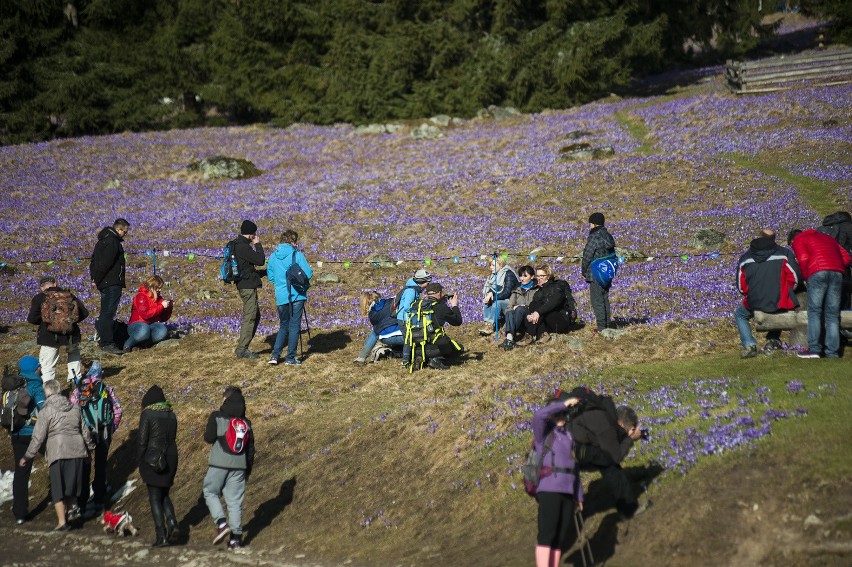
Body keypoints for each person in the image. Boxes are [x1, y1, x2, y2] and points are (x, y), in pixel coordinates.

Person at [20, 379, 95, 531]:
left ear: (46, 393)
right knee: (71, 485)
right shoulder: (74, 408)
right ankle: (72, 509)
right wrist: (90, 449)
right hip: (77, 449)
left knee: (58, 489)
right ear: (59, 390)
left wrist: (28, 456)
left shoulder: (46, 411)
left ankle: (62, 522)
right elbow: (85, 431)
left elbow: (38, 437)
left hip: (58, 451)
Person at [568, 395, 646, 520]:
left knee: (607, 463)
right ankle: (629, 510)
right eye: (629, 429)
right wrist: (629, 439)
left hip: (572, 446)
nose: (628, 432)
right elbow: (615, 457)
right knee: (610, 466)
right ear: (621, 423)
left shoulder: (605, 415)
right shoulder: (607, 427)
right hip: (572, 450)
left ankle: (627, 509)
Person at [531, 390, 583, 567]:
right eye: (558, 413)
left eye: (564, 413)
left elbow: (573, 466)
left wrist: (579, 494)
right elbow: (539, 415)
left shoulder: (568, 436)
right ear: (551, 414)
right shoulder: (543, 434)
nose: (563, 416)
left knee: (559, 536)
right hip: (549, 489)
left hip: (568, 491)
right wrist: (562, 404)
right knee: (548, 534)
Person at [734, 233, 802, 357]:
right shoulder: (784, 254)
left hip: (755, 301)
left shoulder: (745, 258)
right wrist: (787, 291)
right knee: (778, 306)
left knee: (740, 314)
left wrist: (753, 294)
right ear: (773, 240)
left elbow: (741, 286)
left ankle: (749, 345)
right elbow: (795, 278)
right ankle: (772, 339)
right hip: (780, 300)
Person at [203, 386, 254, 550]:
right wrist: (247, 470)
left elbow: (208, 438)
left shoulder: (217, 417)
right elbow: (250, 449)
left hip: (219, 462)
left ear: (226, 399)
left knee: (210, 491)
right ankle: (235, 540)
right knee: (235, 502)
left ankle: (221, 523)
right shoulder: (247, 423)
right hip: (240, 466)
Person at [70, 361, 123, 518]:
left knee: (85, 466)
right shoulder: (107, 389)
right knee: (100, 465)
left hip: (84, 433)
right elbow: (118, 410)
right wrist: (113, 426)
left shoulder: (79, 390)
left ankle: (82, 503)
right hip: (104, 432)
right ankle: (99, 500)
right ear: (100, 374)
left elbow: (72, 410)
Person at [788, 228, 851, 358]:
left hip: (817, 271)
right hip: (836, 272)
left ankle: (814, 349)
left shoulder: (799, 240)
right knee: (832, 314)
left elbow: (803, 259)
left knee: (814, 311)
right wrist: (834, 264)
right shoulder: (828, 238)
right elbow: (846, 257)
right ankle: (832, 352)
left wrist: (806, 278)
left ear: (792, 240)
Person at [137, 385, 179, 547]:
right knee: (164, 493)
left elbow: (142, 440)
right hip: (171, 458)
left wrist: (140, 460)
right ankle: (172, 522)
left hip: (153, 458)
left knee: (155, 496)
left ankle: (161, 535)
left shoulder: (147, 414)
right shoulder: (172, 415)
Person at [27, 276, 89, 383]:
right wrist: (69, 322)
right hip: (70, 334)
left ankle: (49, 389)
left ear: (41, 288)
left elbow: (32, 318)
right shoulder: (69, 295)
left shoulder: (39, 298)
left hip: (48, 335)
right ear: (55, 283)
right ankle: (75, 381)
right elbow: (84, 313)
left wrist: (46, 322)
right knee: (73, 356)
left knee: (48, 366)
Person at [7, 356, 46, 525]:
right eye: (39, 366)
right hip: (34, 433)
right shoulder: (35, 384)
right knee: (56, 461)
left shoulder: (12, 384)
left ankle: (20, 512)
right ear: (35, 368)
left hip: (16, 433)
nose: (41, 369)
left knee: (21, 471)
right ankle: (65, 501)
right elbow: (43, 408)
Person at [266, 229, 313, 366]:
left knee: (283, 326)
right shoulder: (296, 255)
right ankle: (290, 358)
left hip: (281, 297)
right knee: (294, 326)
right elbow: (308, 274)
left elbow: (271, 277)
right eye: (296, 241)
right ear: (292, 241)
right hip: (296, 295)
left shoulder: (273, 256)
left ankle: (275, 356)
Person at [89, 218, 130, 355]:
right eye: (125, 231)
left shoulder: (102, 241)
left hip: (104, 283)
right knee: (108, 313)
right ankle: (107, 343)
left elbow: (93, 262)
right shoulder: (113, 242)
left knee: (105, 313)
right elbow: (105, 264)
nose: (125, 234)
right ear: (119, 229)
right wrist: (97, 279)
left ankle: (104, 339)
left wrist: (94, 278)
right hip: (111, 283)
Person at [410, 282, 464, 370]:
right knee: (458, 348)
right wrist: (454, 306)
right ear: (439, 293)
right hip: (435, 347)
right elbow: (457, 321)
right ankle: (436, 359)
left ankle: (422, 358)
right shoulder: (441, 307)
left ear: (427, 294)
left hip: (416, 347)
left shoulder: (418, 306)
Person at [232, 220, 266, 359]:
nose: (255, 235)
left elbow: (246, 268)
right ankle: (242, 349)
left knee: (254, 315)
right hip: (247, 287)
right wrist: (257, 244)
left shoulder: (238, 244)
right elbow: (260, 260)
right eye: (254, 233)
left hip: (245, 284)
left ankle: (243, 347)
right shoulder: (243, 247)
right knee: (250, 317)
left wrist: (261, 273)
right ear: (251, 234)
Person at [523, 264, 577, 343]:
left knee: (545, 309)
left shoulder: (558, 285)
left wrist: (538, 312)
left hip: (561, 321)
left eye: (542, 276)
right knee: (535, 305)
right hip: (548, 323)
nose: (539, 278)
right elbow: (532, 305)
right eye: (537, 276)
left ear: (548, 276)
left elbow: (554, 302)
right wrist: (531, 315)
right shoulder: (539, 291)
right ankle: (542, 334)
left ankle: (530, 334)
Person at [581, 212, 616, 331]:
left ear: (594, 224)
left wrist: (584, 270)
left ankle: (601, 327)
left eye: (590, 223)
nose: (589, 226)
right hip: (607, 273)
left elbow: (587, 255)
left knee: (597, 301)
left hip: (596, 273)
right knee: (604, 298)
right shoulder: (608, 236)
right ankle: (607, 325)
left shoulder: (594, 237)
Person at [124, 275, 173, 352]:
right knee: (144, 329)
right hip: (136, 325)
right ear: (152, 287)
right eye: (158, 288)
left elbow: (163, 318)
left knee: (162, 330)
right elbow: (145, 315)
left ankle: (141, 345)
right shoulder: (141, 296)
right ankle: (127, 345)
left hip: (151, 325)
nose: (160, 290)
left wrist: (168, 308)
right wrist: (161, 306)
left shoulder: (159, 299)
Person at [354, 292, 405, 365]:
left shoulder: (372, 313)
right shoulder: (390, 301)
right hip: (404, 336)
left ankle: (361, 358)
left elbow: (379, 330)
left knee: (375, 333)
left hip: (386, 339)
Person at [817, 211, 852, 310]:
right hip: (842, 268)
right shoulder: (848, 227)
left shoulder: (821, 229)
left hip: (821, 268)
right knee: (844, 300)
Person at [396, 269, 432, 365]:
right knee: (409, 339)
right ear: (422, 282)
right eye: (428, 283)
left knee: (412, 338)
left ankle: (414, 357)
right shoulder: (411, 291)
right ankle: (405, 361)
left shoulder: (415, 289)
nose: (428, 285)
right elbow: (408, 306)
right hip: (404, 319)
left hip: (408, 318)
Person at [499, 265, 539, 350]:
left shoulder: (537, 289)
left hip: (529, 319)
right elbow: (509, 307)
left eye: (525, 276)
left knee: (520, 309)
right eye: (520, 276)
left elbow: (535, 305)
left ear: (532, 277)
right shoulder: (516, 290)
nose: (522, 278)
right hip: (517, 319)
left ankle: (509, 338)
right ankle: (509, 339)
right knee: (509, 312)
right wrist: (514, 308)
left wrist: (520, 306)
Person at [479, 255, 519, 336]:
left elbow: (507, 293)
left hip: (513, 301)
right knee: (488, 302)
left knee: (497, 303)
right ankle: (487, 323)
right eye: (490, 265)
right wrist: (489, 295)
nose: (491, 267)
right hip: (504, 299)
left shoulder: (508, 274)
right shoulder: (494, 276)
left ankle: (491, 326)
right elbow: (493, 289)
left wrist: (493, 296)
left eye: (493, 265)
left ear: (500, 265)